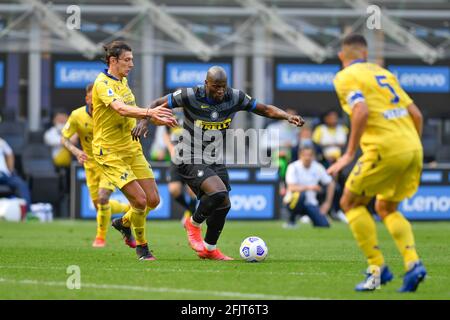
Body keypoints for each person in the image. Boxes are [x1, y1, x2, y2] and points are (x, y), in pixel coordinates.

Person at [133, 66, 304, 260]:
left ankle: (209, 249)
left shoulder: (235, 97)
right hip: (188, 155)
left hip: (214, 157)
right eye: (216, 86)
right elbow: (157, 103)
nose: (220, 91)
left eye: (223, 86)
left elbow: (264, 109)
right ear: (206, 84)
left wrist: (287, 116)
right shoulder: (190, 95)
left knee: (223, 204)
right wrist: (144, 121)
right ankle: (193, 223)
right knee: (218, 192)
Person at [328, 34, 426, 292]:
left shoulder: (344, 77)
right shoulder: (383, 73)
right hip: (413, 147)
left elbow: (361, 111)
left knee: (349, 203)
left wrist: (349, 154)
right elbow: (416, 114)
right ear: (365, 54)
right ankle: (413, 263)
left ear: (342, 56)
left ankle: (378, 268)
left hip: (384, 148)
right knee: (386, 206)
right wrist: (409, 144)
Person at [92, 40, 177, 260]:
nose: (131, 64)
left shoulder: (124, 81)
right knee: (139, 201)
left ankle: (123, 222)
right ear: (113, 61)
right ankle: (142, 248)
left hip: (131, 147)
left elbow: (130, 111)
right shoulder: (102, 84)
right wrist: (148, 113)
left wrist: (143, 121)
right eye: (127, 60)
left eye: (132, 60)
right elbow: (120, 108)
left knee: (154, 201)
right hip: (109, 152)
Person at [61, 83, 131, 248]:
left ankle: (100, 238)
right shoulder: (77, 115)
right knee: (99, 205)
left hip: (109, 162)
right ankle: (126, 207)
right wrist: (76, 151)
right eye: (94, 96)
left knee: (102, 197)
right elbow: (63, 138)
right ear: (87, 98)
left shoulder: (110, 113)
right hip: (90, 165)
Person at [283, 146, 334, 228]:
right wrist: (310, 187)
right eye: (305, 155)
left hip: (311, 203)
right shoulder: (293, 167)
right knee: (300, 195)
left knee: (324, 225)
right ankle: (291, 221)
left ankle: (312, 219)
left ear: (313, 156)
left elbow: (330, 183)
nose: (307, 157)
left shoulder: (318, 167)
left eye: (310, 155)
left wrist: (327, 203)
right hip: (293, 201)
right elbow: (291, 187)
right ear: (300, 156)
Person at [0, 137, 32, 211]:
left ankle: (27, 212)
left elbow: (9, 153)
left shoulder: (1, 142)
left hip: (5, 175)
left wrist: (10, 170)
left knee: (22, 184)